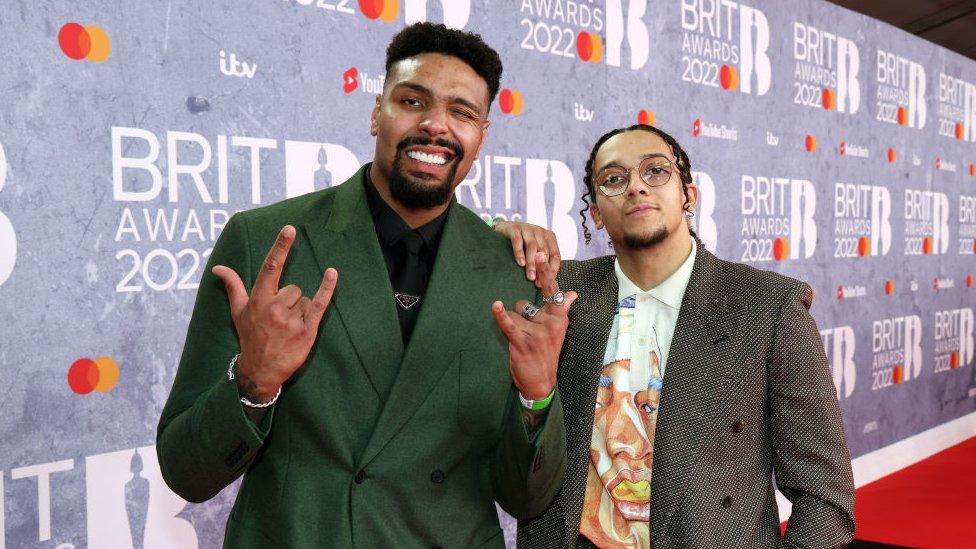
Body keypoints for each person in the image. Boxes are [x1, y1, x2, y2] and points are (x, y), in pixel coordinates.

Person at [156, 23, 572, 548]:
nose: (436, 126)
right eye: (413, 100)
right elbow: (185, 471)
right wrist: (253, 385)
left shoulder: (516, 271)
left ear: (481, 136)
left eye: (462, 112)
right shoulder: (263, 241)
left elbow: (527, 499)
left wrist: (537, 399)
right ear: (377, 112)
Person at [500, 124, 856, 548]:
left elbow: (824, 493)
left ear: (688, 195)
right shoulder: (559, 294)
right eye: (613, 180)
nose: (635, 188)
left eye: (655, 171)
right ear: (595, 212)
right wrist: (497, 238)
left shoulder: (767, 306)